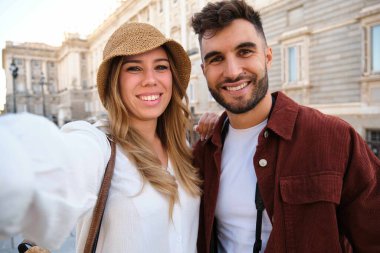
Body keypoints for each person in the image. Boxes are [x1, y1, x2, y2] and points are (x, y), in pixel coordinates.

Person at [0, 22, 214, 253]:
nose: (151, 79)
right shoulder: (97, 144)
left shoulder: (181, 147)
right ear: (115, 82)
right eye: (134, 68)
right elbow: (48, 165)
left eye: (161, 67)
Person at [190, 1, 380, 253]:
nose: (233, 71)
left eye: (245, 52)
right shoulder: (202, 154)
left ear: (268, 57)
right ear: (204, 71)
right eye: (216, 59)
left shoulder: (334, 138)